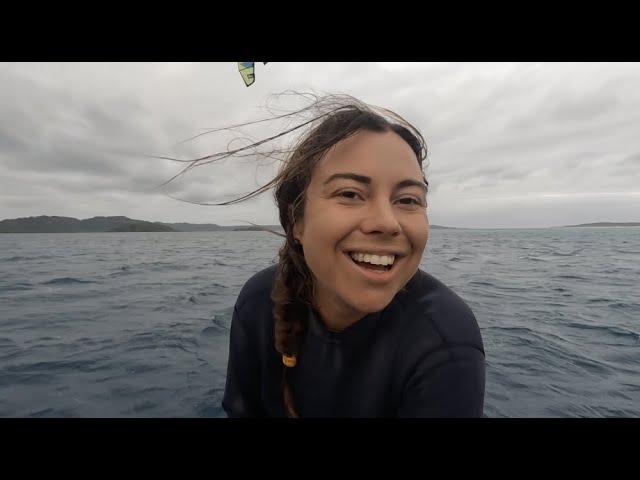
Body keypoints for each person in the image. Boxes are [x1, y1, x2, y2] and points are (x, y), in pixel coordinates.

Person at [204, 93, 485, 417]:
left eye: (408, 200)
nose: (386, 223)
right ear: (297, 222)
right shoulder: (258, 301)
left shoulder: (444, 341)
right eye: (350, 194)